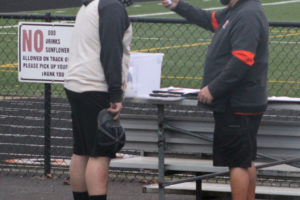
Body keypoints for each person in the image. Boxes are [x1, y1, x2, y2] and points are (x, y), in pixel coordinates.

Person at [161, 0, 268, 199]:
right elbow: (208, 19)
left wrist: (214, 88)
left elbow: (243, 59)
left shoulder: (247, 14)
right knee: (245, 160)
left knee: (237, 162)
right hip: (240, 102)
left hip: (237, 103)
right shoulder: (235, 11)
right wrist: (178, 6)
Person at [64, 0, 132, 199]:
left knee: (81, 151)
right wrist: (115, 93)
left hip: (76, 84)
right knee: (99, 154)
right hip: (95, 86)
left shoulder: (90, 5)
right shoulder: (111, 6)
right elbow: (111, 51)